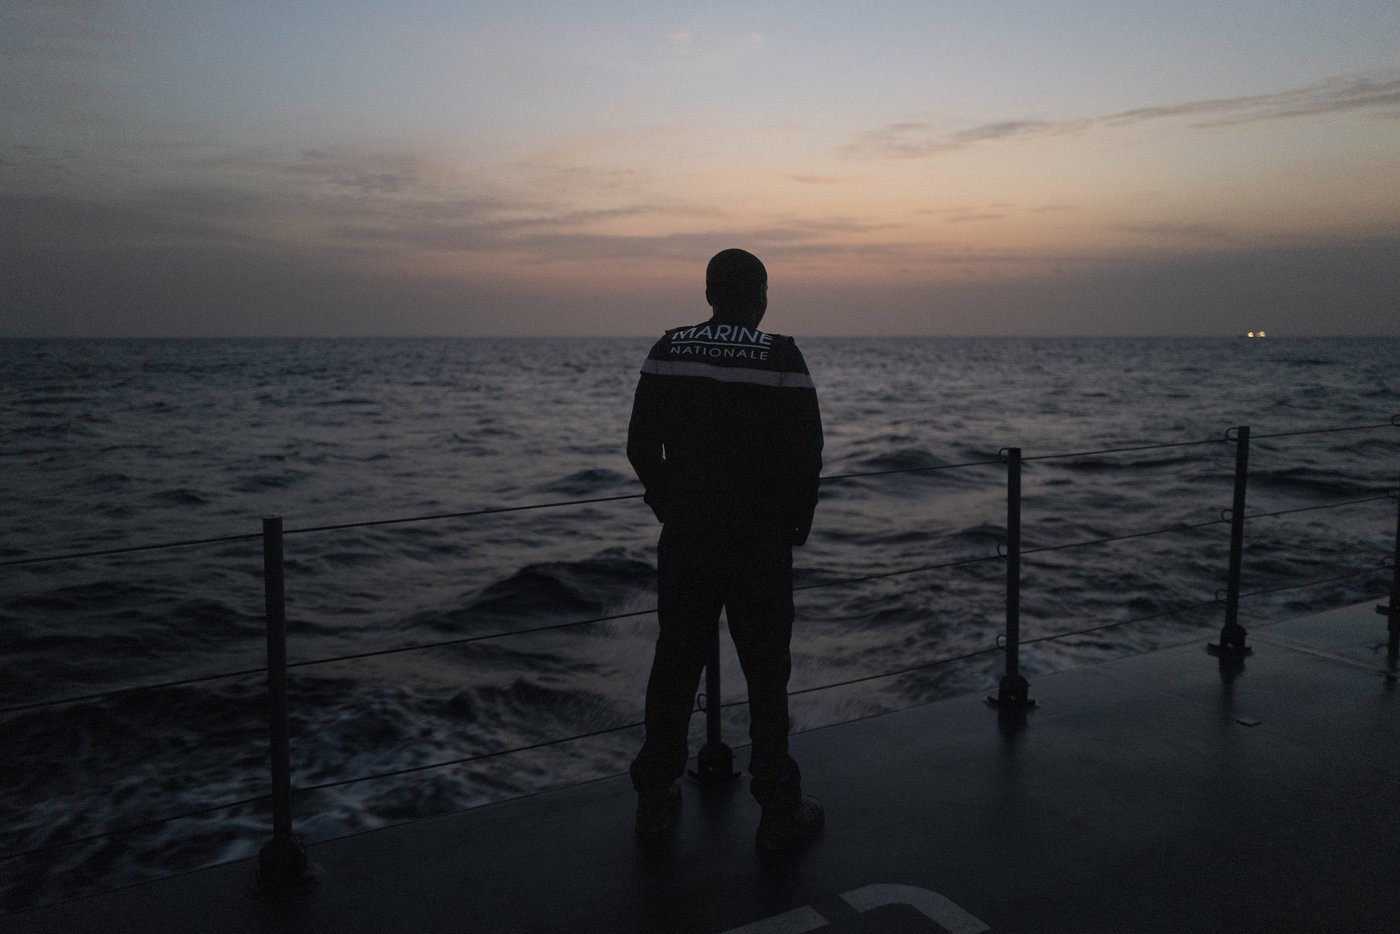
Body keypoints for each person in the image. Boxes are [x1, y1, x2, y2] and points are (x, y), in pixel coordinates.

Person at [626, 248, 825, 852]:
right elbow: (807, 457)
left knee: (675, 666)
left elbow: (640, 446)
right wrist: (796, 525)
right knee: (767, 676)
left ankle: (656, 797)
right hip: (758, 546)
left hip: (686, 541)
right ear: (759, 294)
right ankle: (777, 808)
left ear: (709, 293)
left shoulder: (667, 351)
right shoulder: (781, 357)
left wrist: (670, 506)